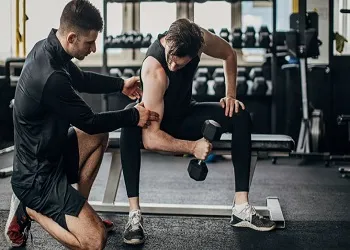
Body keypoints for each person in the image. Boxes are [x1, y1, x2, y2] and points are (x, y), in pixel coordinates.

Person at [4, 0, 159, 249]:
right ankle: (31, 209)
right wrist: (133, 116)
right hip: (37, 179)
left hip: (51, 154)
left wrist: (120, 85)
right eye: (89, 42)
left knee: (99, 137)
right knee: (96, 241)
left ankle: (80, 209)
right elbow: (89, 121)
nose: (94, 48)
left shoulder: (50, 49)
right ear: (72, 37)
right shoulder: (51, 78)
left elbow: (82, 79)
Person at [120, 18, 276, 245]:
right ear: (168, 41)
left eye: (180, 64)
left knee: (239, 114)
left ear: (196, 52)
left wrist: (230, 95)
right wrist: (192, 147)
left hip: (185, 113)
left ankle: (241, 207)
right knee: (129, 117)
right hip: (156, 123)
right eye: (172, 59)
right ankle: (134, 216)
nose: (173, 66)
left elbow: (229, 53)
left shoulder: (201, 39)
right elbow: (151, 139)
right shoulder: (155, 70)